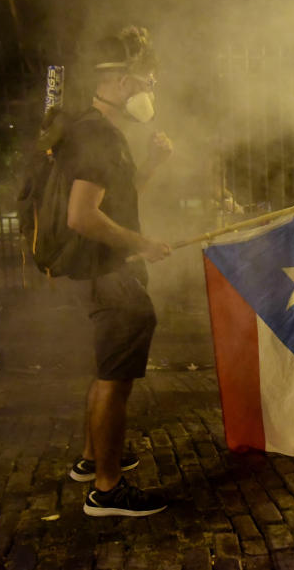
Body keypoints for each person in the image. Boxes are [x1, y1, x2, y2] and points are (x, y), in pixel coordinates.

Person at [55, 26, 173, 517]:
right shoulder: (99, 135)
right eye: (148, 82)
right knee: (115, 383)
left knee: (106, 373)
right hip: (110, 272)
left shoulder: (90, 127)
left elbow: (116, 201)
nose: (151, 93)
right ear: (123, 81)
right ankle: (107, 490)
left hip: (100, 272)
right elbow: (81, 215)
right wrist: (140, 244)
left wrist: (152, 163)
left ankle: (91, 459)